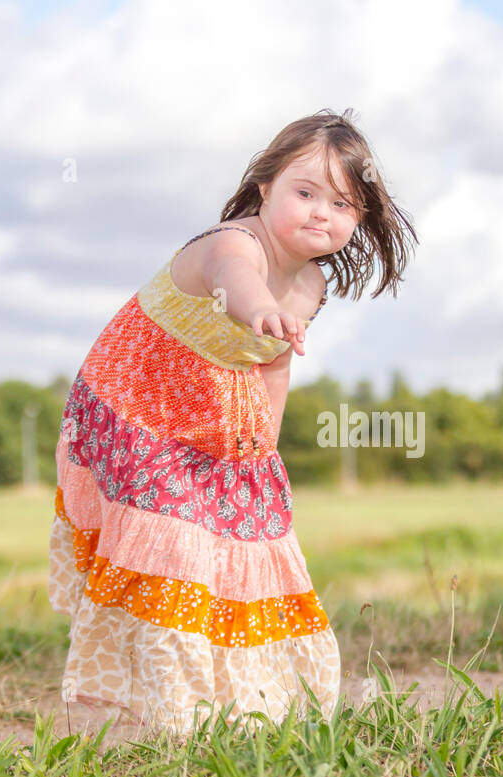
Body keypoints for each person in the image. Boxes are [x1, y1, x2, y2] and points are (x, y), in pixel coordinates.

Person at [47, 108, 418, 737]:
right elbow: (236, 284)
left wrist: (262, 448)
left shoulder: (313, 287)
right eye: (305, 193)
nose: (320, 213)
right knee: (174, 550)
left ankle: (250, 702)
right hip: (136, 406)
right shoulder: (234, 245)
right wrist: (259, 310)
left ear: (359, 221)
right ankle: (169, 715)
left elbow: (273, 367)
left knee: (243, 543)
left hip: (213, 420)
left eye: (343, 205)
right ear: (266, 185)